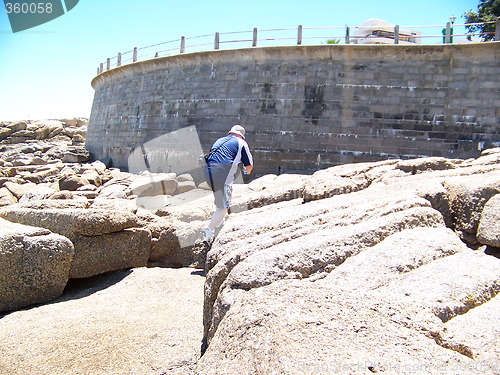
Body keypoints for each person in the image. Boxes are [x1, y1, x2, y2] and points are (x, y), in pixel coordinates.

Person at [201, 125, 253, 242]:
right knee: (224, 206)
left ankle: (218, 222)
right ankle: (209, 231)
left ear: (230, 133)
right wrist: (246, 172)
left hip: (208, 171)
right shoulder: (241, 143)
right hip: (223, 173)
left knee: (220, 199)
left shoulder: (220, 140)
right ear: (242, 136)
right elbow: (249, 165)